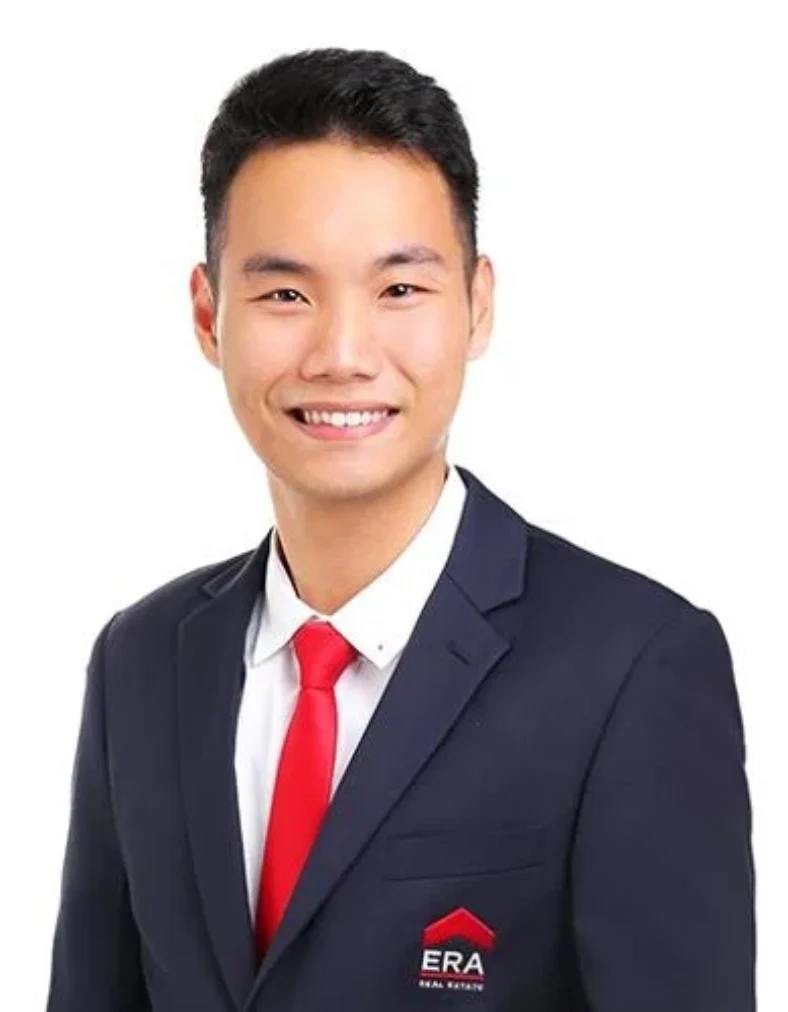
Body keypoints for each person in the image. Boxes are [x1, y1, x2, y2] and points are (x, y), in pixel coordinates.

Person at [45, 47, 755, 1012]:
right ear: (209, 317)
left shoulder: (633, 665)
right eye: (285, 293)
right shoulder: (140, 661)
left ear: (477, 305)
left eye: (399, 290)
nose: (342, 354)